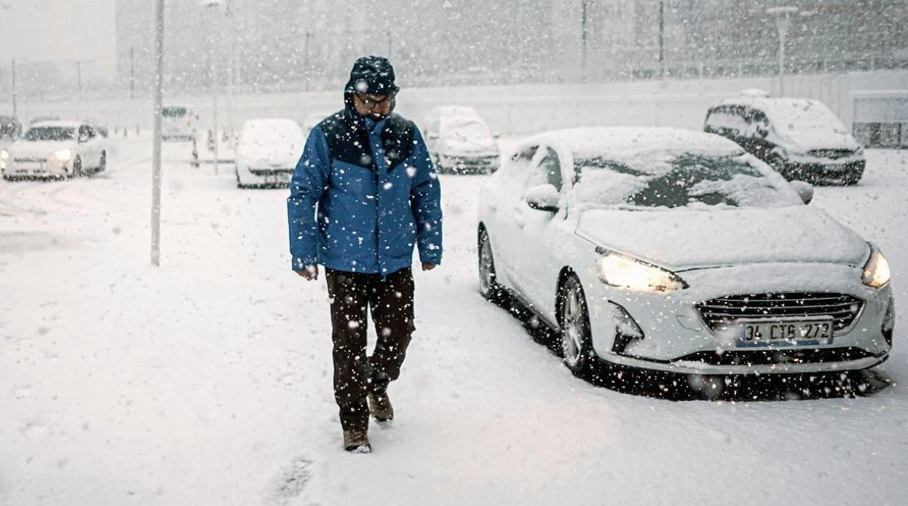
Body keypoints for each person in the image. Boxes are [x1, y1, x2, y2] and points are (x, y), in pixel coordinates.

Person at [287, 56, 442, 454]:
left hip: (393, 261)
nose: (379, 108)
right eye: (370, 100)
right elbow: (303, 194)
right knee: (349, 345)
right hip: (345, 262)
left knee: (399, 337)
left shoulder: (406, 135)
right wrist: (304, 252)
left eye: (385, 100)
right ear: (351, 96)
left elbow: (425, 189)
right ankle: (354, 422)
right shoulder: (328, 135)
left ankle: (377, 383)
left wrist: (429, 245)